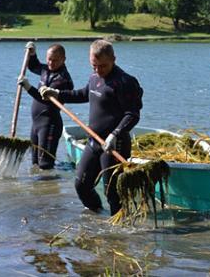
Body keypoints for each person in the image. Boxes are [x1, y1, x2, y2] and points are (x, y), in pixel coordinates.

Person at [39, 39, 143, 215]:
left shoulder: (125, 82)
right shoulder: (95, 78)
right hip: (94, 141)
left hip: (114, 145)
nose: (98, 70)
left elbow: (133, 114)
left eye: (102, 66)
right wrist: (57, 93)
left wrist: (115, 134)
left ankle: (119, 231)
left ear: (113, 59)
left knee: (113, 194)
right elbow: (83, 94)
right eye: (94, 66)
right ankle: (97, 218)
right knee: (81, 185)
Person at [17, 42, 74, 170]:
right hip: (36, 124)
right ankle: (40, 189)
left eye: (55, 60)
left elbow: (46, 99)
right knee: (35, 165)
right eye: (49, 59)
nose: (51, 63)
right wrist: (32, 54)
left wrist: (28, 87)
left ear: (63, 59)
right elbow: (34, 66)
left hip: (50, 125)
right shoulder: (46, 70)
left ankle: (53, 185)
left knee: (45, 165)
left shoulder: (63, 79)